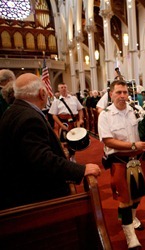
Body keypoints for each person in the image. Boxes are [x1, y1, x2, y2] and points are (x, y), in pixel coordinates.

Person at [0, 73, 101, 210]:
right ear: (42, 93)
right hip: (34, 199)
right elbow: (42, 160)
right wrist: (80, 169)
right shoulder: (29, 118)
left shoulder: (13, 111)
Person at [98, 80, 145, 249]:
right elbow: (108, 141)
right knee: (125, 199)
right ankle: (129, 234)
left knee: (137, 195)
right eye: (118, 92)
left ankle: (131, 217)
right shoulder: (105, 115)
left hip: (139, 160)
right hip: (120, 161)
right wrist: (133, 146)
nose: (123, 96)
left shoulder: (137, 110)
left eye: (125, 92)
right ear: (111, 94)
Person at [48, 83, 84, 161]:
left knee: (74, 140)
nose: (64, 88)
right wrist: (61, 125)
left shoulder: (74, 98)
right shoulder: (56, 101)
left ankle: (73, 157)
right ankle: (68, 158)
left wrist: (81, 119)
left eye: (65, 87)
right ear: (59, 90)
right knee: (65, 141)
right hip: (64, 123)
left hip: (74, 122)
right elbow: (54, 115)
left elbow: (80, 109)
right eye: (61, 87)